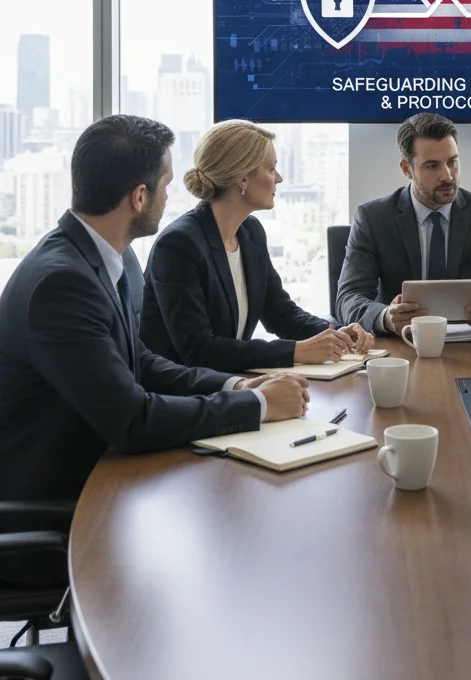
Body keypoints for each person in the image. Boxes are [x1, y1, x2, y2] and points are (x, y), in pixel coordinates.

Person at [0, 117, 309, 512]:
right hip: (62, 498)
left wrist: (237, 388)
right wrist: (259, 407)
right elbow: (132, 420)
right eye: (166, 185)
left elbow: (139, 362)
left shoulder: (113, 255)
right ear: (140, 197)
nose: (171, 197)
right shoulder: (61, 284)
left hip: (113, 469)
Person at [142, 120, 371, 372]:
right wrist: (298, 351)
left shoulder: (250, 232)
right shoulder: (178, 245)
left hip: (227, 384)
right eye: (271, 169)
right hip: (183, 395)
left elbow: (280, 314)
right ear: (242, 177)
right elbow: (199, 350)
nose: (279, 178)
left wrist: (337, 333)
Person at [337, 113, 471, 337]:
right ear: (407, 169)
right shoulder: (373, 218)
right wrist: (386, 318)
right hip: (402, 346)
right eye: (432, 166)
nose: (447, 176)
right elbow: (349, 297)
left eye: (452, 162)